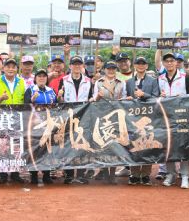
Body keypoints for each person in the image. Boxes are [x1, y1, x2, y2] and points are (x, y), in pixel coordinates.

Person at [158, 52, 189, 188]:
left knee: (184, 145)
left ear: (176, 63)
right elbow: (156, 97)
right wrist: (160, 96)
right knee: (169, 145)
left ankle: (184, 175)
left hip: (182, 116)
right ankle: (171, 174)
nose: (169, 63)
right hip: (166, 116)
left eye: (171, 61)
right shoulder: (160, 78)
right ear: (163, 63)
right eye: (166, 61)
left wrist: (183, 97)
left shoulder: (185, 77)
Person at [57, 55, 93, 184]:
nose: (77, 66)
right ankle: (69, 174)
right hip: (68, 116)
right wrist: (59, 97)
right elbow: (60, 100)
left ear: (82, 66)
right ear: (70, 66)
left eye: (79, 64)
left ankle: (82, 174)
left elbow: (91, 97)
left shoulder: (88, 81)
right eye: (74, 64)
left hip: (84, 115)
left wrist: (92, 99)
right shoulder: (64, 80)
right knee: (69, 145)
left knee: (83, 144)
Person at [125, 56, 160, 185]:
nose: (140, 65)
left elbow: (156, 97)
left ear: (146, 66)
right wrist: (128, 99)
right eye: (138, 63)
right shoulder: (129, 82)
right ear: (134, 65)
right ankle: (134, 174)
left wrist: (143, 95)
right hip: (133, 118)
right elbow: (125, 98)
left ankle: (145, 174)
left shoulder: (153, 81)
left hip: (148, 118)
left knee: (147, 145)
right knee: (133, 144)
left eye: (143, 63)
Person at [0, 58, 26, 184]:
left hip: (17, 118)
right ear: (3, 68)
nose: (11, 69)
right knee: (3, 146)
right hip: (2, 118)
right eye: (8, 66)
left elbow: (26, 100)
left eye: (13, 67)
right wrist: (1, 98)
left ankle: (15, 173)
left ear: (17, 69)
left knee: (16, 146)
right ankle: (3, 174)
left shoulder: (22, 82)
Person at [91, 60, 127, 184]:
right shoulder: (99, 82)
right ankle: (105, 173)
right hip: (102, 116)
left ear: (116, 70)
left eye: (113, 68)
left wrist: (125, 99)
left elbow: (125, 99)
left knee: (115, 145)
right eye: (108, 68)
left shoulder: (121, 82)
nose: (111, 71)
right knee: (104, 145)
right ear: (104, 70)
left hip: (116, 116)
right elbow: (94, 99)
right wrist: (98, 97)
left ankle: (112, 175)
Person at [24, 69, 56, 185]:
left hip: (48, 124)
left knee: (47, 149)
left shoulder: (51, 91)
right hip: (34, 125)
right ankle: (33, 175)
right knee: (34, 149)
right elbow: (25, 105)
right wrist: (31, 100)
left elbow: (58, 106)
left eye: (44, 76)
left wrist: (60, 98)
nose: (42, 78)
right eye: (39, 76)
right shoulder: (30, 90)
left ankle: (47, 175)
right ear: (35, 79)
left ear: (47, 78)